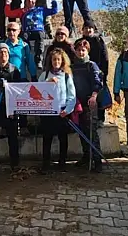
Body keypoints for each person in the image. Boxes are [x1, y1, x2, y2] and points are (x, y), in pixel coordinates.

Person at [38, 48, 76, 173]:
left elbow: (72, 95)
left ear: (62, 61)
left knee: (63, 139)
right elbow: (37, 90)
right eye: (54, 59)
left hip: (62, 112)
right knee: (47, 138)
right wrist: (47, 82)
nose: (56, 62)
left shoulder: (66, 76)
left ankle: (62, 163)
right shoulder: (45, 75)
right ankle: (45, 164)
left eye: (58, 59)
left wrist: (68, 110)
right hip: (48, 112)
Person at [72, 39, 104, 172]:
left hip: (90, 102)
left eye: (83, 50)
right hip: (77, 104)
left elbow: (98, 82)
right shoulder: (72, 66)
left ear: (87, 51)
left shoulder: (92, 65)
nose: (81, 52)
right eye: (78, 50)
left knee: (92, 133)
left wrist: (94, 96)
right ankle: (86, 156)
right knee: (81, 132)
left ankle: (97, 161)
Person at [5, 0, 58, 69]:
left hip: (38, 31)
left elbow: (54, 10)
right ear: (25, 1)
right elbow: (8, 13)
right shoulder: (22, 11)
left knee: (40, 35)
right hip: (27, 32)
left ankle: (38, 60)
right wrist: (8, 1)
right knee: (23, 38)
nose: (30, 1)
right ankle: (27, 59)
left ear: (35, 0)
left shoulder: (40, 10)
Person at [82, 21, 109, 122]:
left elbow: (105, 57)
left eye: (90, 28)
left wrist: (104, 73)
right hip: (84, 74)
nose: (88, 30)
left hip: (98, 72)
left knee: (99, 96)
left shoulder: (99, 40)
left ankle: (101, 119)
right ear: (82, 30)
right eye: (86, 28)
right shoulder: (80, 42)